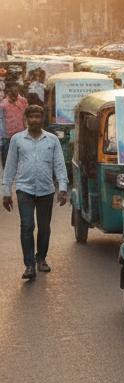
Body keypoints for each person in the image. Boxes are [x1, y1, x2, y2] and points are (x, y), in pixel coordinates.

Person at [2, 104, 68, 280]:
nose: (34, 120)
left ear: (42, 119)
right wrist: (6, 191)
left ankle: (41, 259)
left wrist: (62, 187)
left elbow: (59, 165)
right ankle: (29, 265)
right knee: (27, 225)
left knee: (44, 228)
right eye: (31, 117)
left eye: (38, 116)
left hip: (46, 190)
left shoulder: (52, 140)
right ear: (26, 119)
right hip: (24, 189)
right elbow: (10, 166)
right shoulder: (17, 140)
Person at [1, 84, 28, 165]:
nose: (15, 98)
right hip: (7, 135)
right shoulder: (3, 104)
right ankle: (7, 173)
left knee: (21, 155)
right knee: (6, 155)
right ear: (8, 93)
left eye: (16, 95)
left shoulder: (23, 101)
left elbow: (26, 114)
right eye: (13, 96)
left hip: (21, 132)